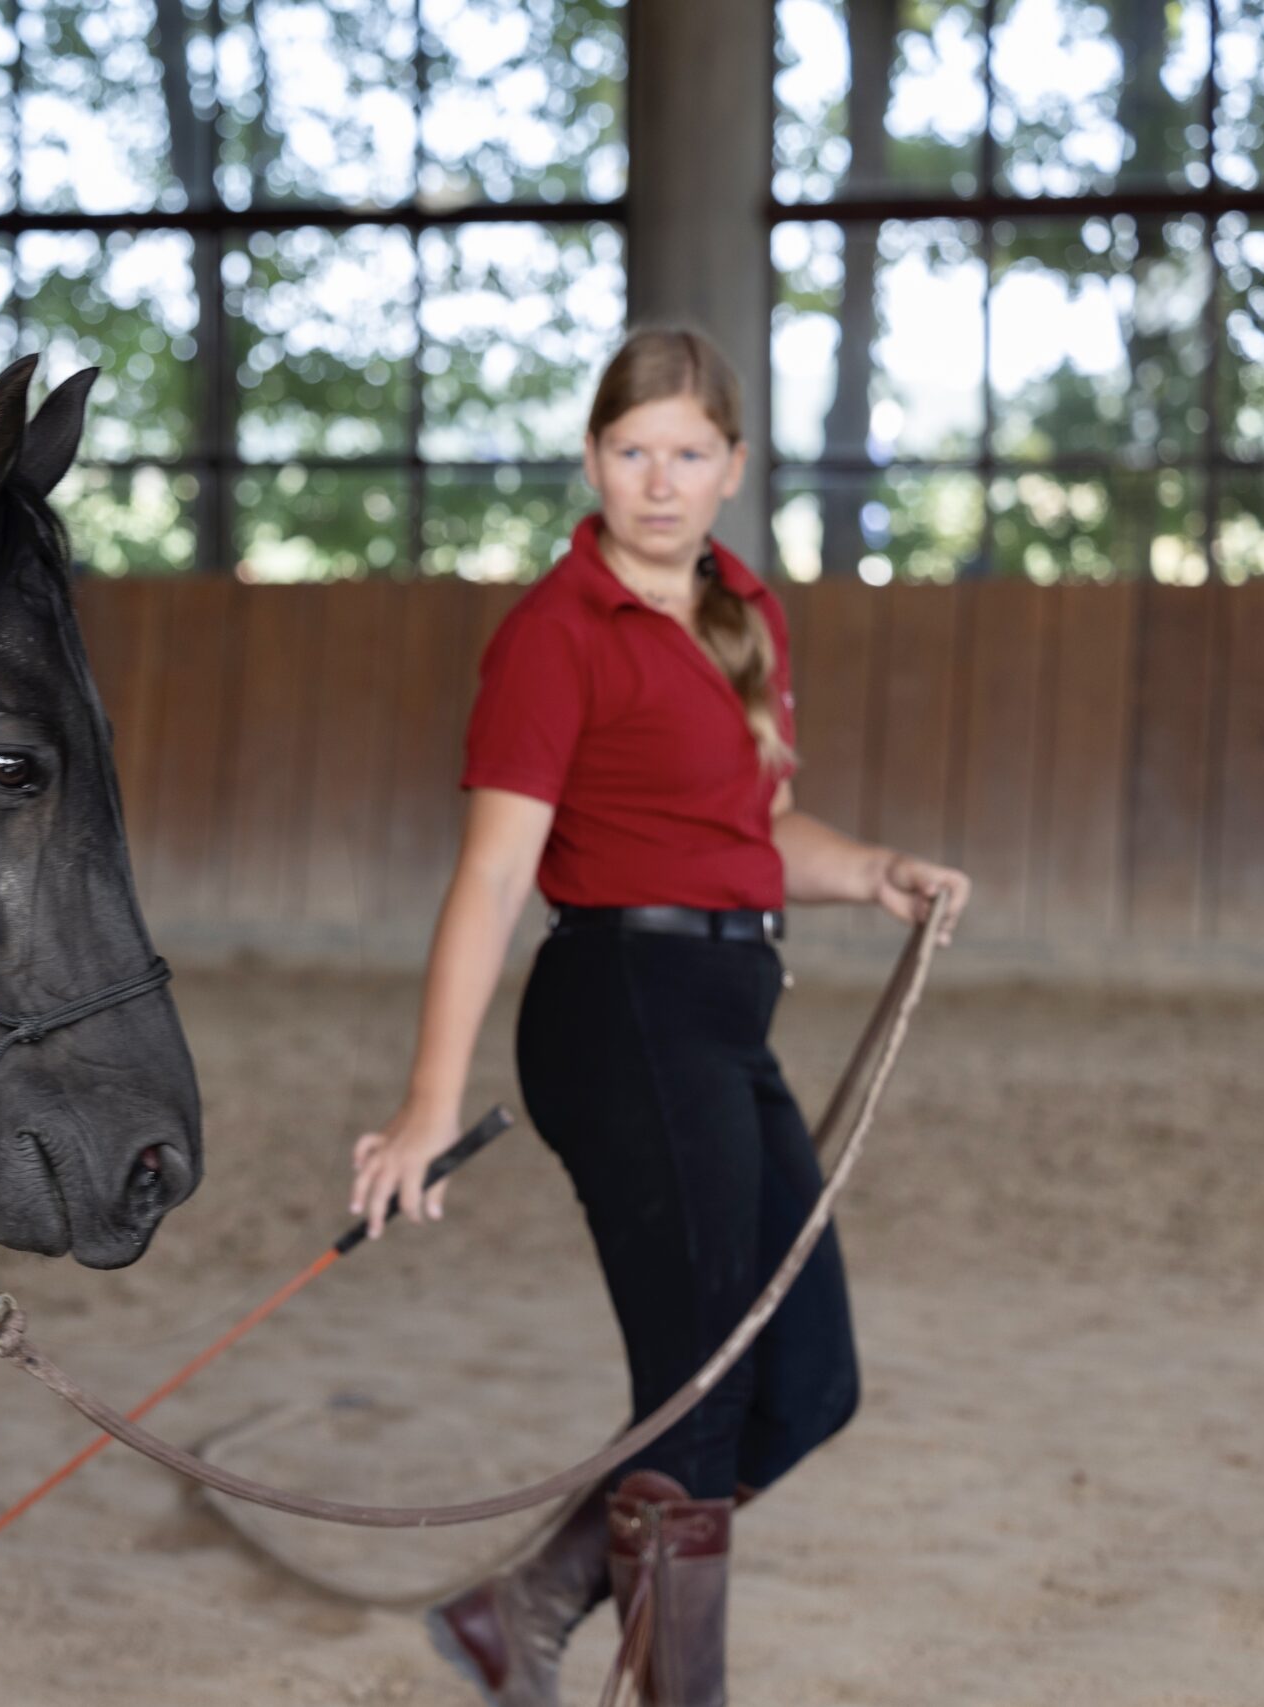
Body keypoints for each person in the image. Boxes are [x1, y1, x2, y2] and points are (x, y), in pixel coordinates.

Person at [347, 328, 969, 1706]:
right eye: (633, 451)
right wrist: (428, 1102)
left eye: (689, 454)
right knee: (698, 1395)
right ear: (593, 459)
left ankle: (524, 1607)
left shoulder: (740, 609)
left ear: (734, 469)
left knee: (803, 1383)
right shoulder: (555, 636)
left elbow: (744, 827)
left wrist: (869, 871)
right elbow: (497, 871)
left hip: (725, 1013)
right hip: (618, 1010)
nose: (660, 481)